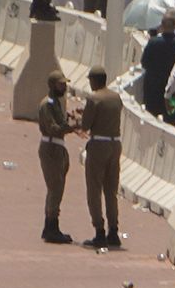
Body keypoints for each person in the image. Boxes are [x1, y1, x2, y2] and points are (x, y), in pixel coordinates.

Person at [77, 73, 124, 253]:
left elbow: (86, 125)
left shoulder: (94, 98)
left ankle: (99, 231)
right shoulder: (116, 97)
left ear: (94, 81)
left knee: (94, 189)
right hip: (115, 144)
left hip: (98, 145)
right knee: (111, 191)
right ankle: (114, 231)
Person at [31, 73, 73, 245]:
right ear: (52, 85)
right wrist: (71, 127)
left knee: (57, 187)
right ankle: (51, 227)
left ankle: (50, 226)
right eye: (60, 85)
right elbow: (54, 128)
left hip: (57, 147)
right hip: (51, 148)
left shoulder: (56, 103)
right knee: (55, 187)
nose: (64, 88)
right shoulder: (47, 104)